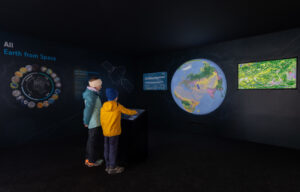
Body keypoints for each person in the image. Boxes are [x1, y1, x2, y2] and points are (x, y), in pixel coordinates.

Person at [100, 88, 137, 174]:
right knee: (112, 149)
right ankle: (112, 168)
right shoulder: (117, 106)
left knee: (106, 148)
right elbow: (128, 112)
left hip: (105, 132)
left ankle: (107, 166)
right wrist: (135, 112)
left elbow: (101, 119)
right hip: (114, 132)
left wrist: (104, 128)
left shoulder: (103, 107)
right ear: (116, 97)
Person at [82, 77, 104, 167]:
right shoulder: (91, 95)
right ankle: (91, 161)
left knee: (91, 140)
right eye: (100, 85)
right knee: (93, 141)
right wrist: (86, 121)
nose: (101, 86)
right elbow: (88, 110)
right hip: (94, 122)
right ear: (95, 86)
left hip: (94, 121)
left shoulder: (92, 94)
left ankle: (89, 158)